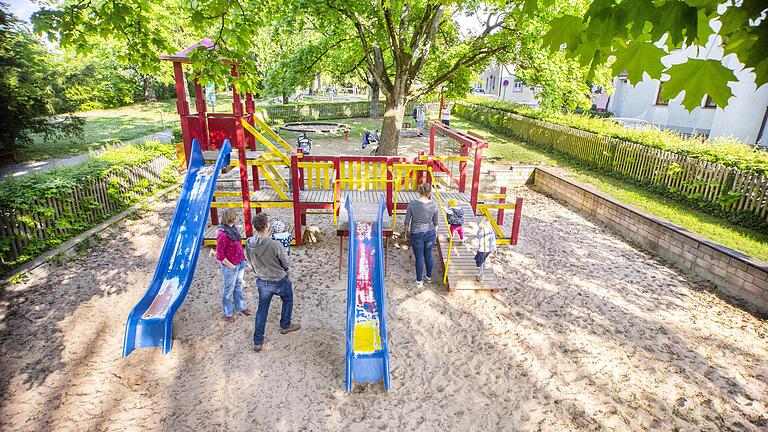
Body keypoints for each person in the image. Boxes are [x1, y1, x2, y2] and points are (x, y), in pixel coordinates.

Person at [245, 213, 301, 352]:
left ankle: (258, 341)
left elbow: (249, 260)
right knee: (288, 299)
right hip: (278, 279)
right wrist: (286, 270)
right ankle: (285, 325)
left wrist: (256, 271)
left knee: (262, 310)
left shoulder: (249, 242)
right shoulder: (274, 244)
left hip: (262, 280)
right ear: (267, 225)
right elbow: (285, 262)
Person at [215, 208, 251, 323]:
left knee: (238, 285)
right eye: (235, 216)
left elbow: (238, 245)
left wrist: (244, 258)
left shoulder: (233, 229)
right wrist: (232, 266)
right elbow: (219, 256)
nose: (236, 217)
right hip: (230, 266)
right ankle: (228, 312)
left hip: (240, 262)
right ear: (231, 217)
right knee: (228, 289)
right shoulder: (222, 234)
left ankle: (240, 306)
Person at [404, 182, 439, 288]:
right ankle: (428, 277)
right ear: (429, 192)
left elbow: (407, 221)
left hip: (416, 232)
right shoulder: (433, 204)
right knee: (428, 255)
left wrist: (406, 233)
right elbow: (436, 222)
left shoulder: (412, 203)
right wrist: (435, 234)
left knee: (419, 257)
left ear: (420, 191)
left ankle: (419, 281)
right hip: (430, 232)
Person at [475, 215, 497, 282]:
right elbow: (493, 240)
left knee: (479, 262)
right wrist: (495, 249)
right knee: (483, 258)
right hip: (489, 249)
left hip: (482, 249)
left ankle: (481, 276)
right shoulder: (491, 231)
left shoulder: (480, 231)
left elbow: (478, 237)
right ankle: (483, 264)